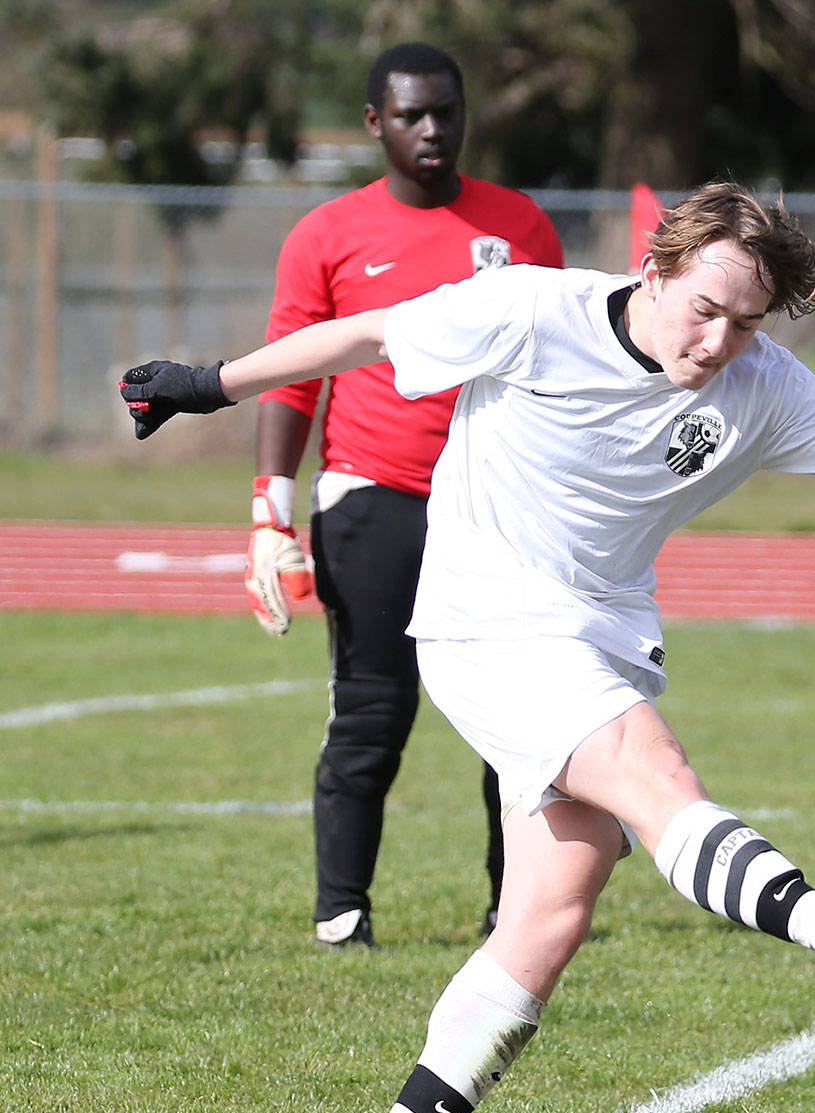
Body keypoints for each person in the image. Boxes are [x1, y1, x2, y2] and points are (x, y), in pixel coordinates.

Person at [119, 181, 815, 1113]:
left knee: (547, 920)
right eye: (703, 308)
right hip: (486, 624)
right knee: (657, 779)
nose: (718, 340)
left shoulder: (762, 381)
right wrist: (208, 382)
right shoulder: (530, 311)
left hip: (598, 636)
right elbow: (371, 332)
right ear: (651, 271)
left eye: (745, 321)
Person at [248, 42, 564, 948]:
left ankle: (516, 910)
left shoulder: (522, 226)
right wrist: (270, 509)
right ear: (373, 123)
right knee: (374, 710)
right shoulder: (328, 233)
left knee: (516, 720)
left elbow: (557, 362)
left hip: (498, 503)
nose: (432, 130)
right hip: (373, 497)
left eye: (446, 112)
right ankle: (342, 912)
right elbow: (288, 377)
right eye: (411, 115)